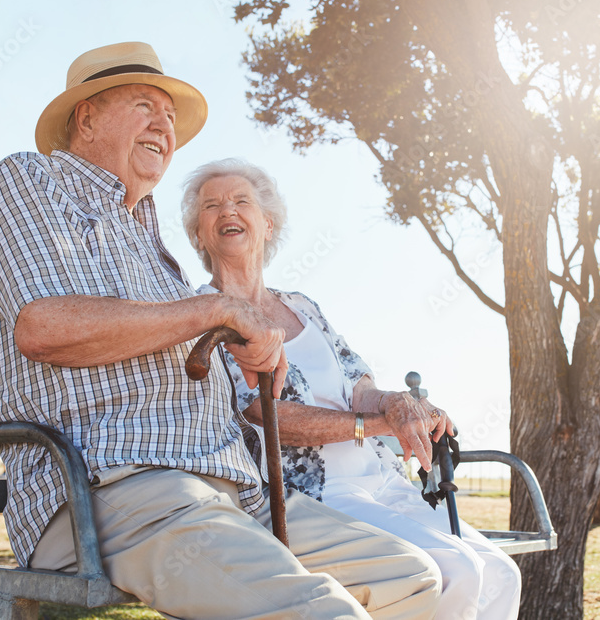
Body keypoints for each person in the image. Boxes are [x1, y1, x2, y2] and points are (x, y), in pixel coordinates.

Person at [0, 41, 443, 620]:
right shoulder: (31, 181)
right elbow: (41, 327)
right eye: (145, 105)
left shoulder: (149, 241)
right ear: (85, 117)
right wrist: (215, 313)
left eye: (169, 117)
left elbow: (188, 352)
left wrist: (244, 363)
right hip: (116, 485)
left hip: (235, 492)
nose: (163, 125)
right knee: (323, 614)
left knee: (412, 579)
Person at [181, 158, 522, 620]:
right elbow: (262, 414)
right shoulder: (207, 315)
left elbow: (359, 383)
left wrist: (401, 407)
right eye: (211, 206)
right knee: (458, 572)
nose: (228, 211)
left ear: (267, 223)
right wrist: (375, 423)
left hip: (381, 477)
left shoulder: (302, 306)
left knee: (501, 574)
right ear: (199, 234)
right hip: (315, 493)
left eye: (242, 201)